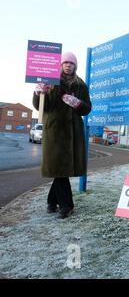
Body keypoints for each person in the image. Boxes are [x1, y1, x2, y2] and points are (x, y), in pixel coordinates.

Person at [32, 52, 92, 219]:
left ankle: (52, 201)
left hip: (73, 132)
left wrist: (78, 104)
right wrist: (39, 93)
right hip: (55, 131)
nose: (68, 65)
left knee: (60, 169)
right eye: (65, 62)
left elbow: (87, 108)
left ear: (75, 66)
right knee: (59, 168)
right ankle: (67, 205)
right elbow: (41, 107)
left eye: (71, 63)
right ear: (60, 65)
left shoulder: (81, 85)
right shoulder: (50, 82)